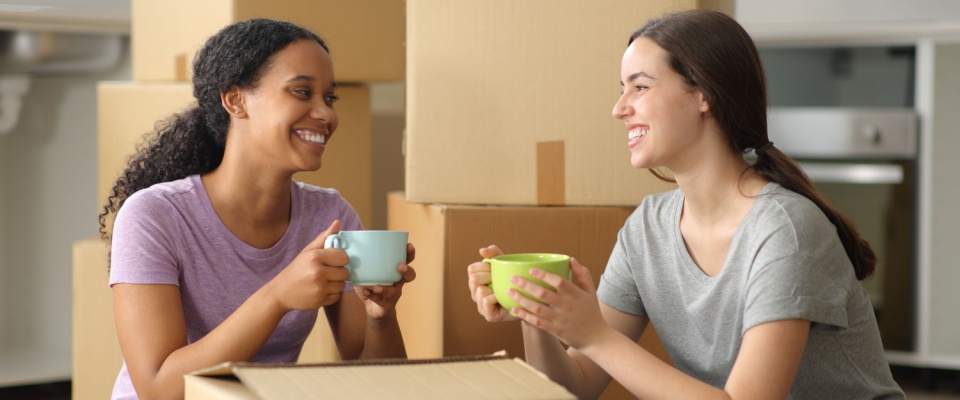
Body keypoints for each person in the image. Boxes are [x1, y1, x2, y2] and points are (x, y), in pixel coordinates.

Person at [467, 9, 904, 400]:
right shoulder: (647, 229)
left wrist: (596, 336)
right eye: (622, 89)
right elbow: (573, 388)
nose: (619, 109)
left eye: (640, 86)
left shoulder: (785, 229)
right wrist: (535, 310)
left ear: (703, 95)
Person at [97, 18, 416, 400]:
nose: (326, 115)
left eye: (330, 98)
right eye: (302, 92)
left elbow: (378, 383)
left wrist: (381, 315)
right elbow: (159, 389)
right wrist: (277, 296)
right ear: (236, 101)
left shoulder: (330, 215)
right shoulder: (154, 215)